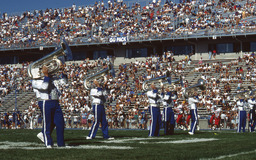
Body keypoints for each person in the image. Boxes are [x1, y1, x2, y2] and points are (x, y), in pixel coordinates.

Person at [32, 66, 66, 148]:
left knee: (60, 123)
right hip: (45, 101)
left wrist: (63, 72)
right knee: (47, 123)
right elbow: (44, 87)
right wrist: (46, 75)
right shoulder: (35, 81)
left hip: (55, 101)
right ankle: (48, 143)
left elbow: (64, 83)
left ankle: (61, 144)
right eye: (40, 69)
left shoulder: (51, 78)